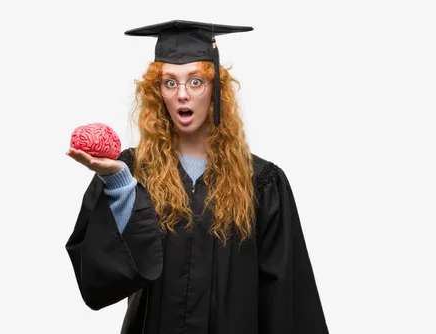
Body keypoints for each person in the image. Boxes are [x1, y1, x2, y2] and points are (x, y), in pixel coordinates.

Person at [65, 20, 329, 334]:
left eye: (196, 81)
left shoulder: (261, 183)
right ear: (157, 92)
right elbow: (101, 281)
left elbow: (288, 301)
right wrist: (120, 184)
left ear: (216, 89)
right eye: (170, 83)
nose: (182, 95)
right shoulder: (133, 172)